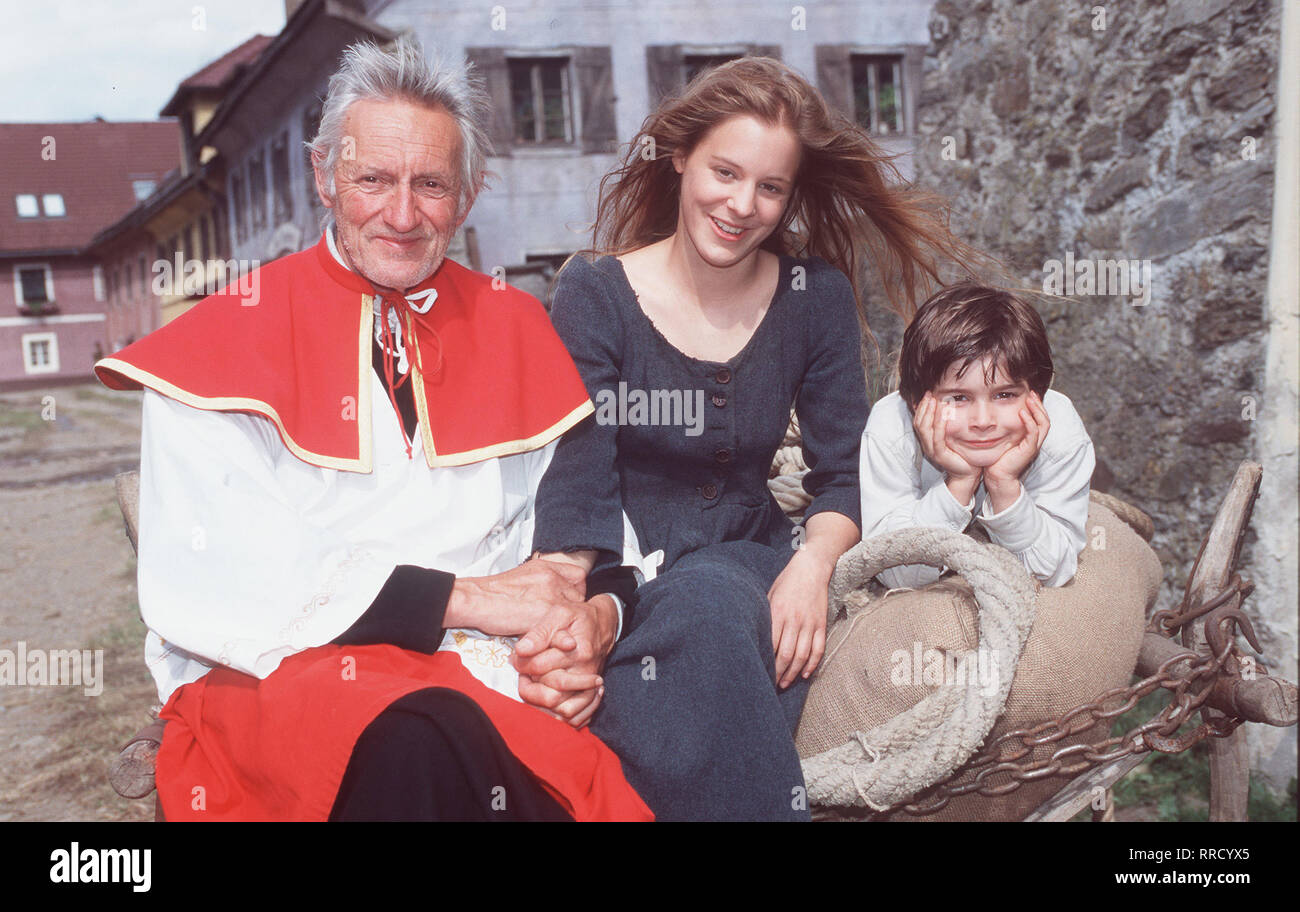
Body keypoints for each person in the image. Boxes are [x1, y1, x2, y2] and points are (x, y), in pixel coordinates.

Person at [93, 37, 651, 822]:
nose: (401, 214)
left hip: (485, 673)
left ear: (469, 194)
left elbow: (593, 536)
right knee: (422, 741)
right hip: (284, 676)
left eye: (430, 185)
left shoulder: (520, 324)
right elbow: (232, 575)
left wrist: (584, 628)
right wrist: (473, 600)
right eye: (372, 179)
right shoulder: (221, 340)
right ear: (324, 175)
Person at [527, 57, 984, 820]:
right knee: (663, 656)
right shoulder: (593, 293)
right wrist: (574, 603)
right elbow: (579, 479)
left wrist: (811, 565)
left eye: (770, 187)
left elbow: (842, 478)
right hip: (627, 568)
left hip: (749, 562)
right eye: (725, 172)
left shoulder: (815, 298)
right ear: (680, 159)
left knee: (709, 613)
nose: (742, 205)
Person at [860, 282, 1095, 590]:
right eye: (958, 398)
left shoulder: (1059, 431)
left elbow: (1052, 570)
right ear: (917, 403)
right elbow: (893, 572)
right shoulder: (891, 429)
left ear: (1037, 395)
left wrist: (1003, 485)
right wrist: (958, 483)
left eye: (1005, 395)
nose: (983, 421)